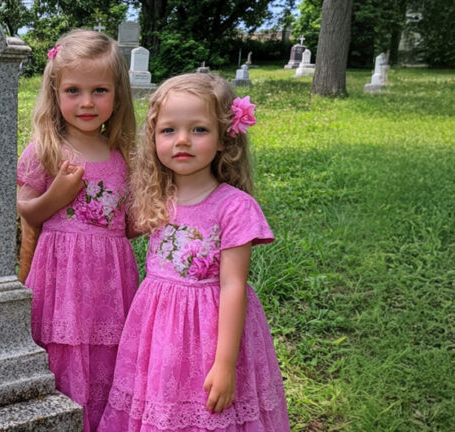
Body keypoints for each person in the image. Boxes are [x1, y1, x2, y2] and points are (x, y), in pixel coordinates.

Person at [99, 73, 290, 431]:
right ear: (153, 139)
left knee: (208, 412)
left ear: (224, 139)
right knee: (161, 405)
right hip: (159, 332)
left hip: (211, 335)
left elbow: (233, 286)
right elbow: (116, 229)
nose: (182, 140)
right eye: (168, 130)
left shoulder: (234, 207)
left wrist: (225, 365)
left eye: (199, 129)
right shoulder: (158, 197)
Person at [16, 29, 139, 431]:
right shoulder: (46, 150)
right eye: (73, 91)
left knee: (107, 354)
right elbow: (27, 212)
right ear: (55, 94)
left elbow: (129, 225)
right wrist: (58, 195)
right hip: (61, 281)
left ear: (118, 94)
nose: (87, 102)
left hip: (110, 283)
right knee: (62, 352)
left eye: (100, 90)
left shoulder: (124, 155)